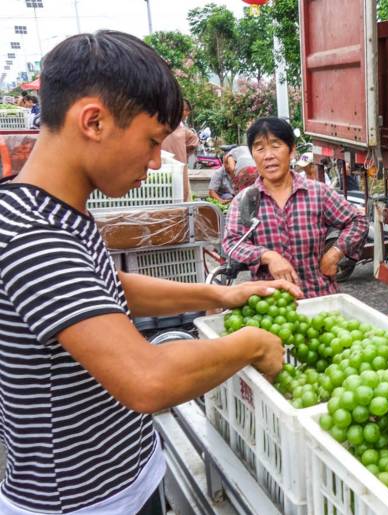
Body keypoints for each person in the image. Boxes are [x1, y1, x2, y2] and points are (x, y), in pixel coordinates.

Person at [0, 31, 302, 515]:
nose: (156, 160)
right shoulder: (33, 235)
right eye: (151, 140)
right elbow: (146, 380)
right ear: (93, 121)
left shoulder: (49, 210)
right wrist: (252, 343)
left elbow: (103, 289)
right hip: (83, 502)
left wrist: (218, 294)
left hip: (126, 473)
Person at [223, 117, 369, 298]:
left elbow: (358, 221)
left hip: (319, 296)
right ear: (253, 155)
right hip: (271, 304)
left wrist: (335, 253)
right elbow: (231, 243)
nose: (268, 155)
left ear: (291, 150)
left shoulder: (317, 193)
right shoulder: (245, 200)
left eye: (276, 146)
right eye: (260, 148)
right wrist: (268, 256)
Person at [160, 99, 199, 201]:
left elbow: (194, 140)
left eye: (187, 110)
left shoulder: (181, 127)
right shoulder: (162, 123)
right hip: (161, 166)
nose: (186, 113)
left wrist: (183, 152)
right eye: (184, 110)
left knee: (180, 193)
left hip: (178, 166)